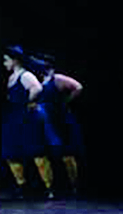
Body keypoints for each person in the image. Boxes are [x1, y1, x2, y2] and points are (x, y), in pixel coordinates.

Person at [2, 46, 58, 199]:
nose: (5, 64)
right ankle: (22, 186)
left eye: (6, 60)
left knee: (37, 151)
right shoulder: (12, 76)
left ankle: (49, 187)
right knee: (12, 152)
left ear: (15, 60)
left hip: (27, 116)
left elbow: (37, 88)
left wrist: (28, 102)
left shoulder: (25, 75)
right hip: (15, 117)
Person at [31, 54, 84, 196]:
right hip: (45, 120)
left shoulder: (57, 78)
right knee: (47, 154)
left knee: (66, 153)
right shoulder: (39, 80)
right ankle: (52, 187)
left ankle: (74, 185)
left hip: (60, 119)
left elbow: (78, 87)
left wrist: (65, 101)